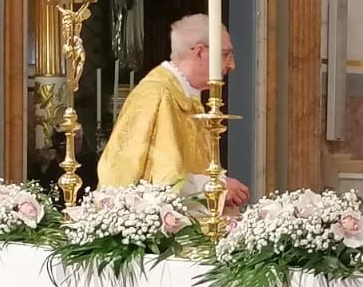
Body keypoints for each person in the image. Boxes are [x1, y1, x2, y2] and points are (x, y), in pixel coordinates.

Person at [97, 13, 251, 208]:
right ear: (200, 52)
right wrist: (217, 186)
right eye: (226, 54)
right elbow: (158, 178)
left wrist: (220, 183)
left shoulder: (185, 95)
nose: (232, 64)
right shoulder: (157, 95)